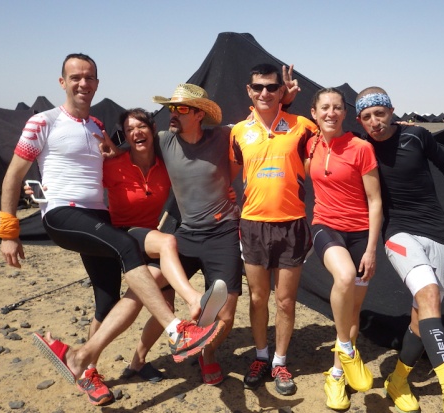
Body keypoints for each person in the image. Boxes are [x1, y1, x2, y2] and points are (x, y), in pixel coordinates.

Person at [0, 53, 224, 406]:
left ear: (97, 83)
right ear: (62, 82)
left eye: (89, 77)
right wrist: (9, 230)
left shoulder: (96, 127)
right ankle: (176, 329)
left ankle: (83, 364)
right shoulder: (43, 122)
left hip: (97, 221)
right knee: (126, 247)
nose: (83, 83)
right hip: (63, 213)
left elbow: (113, 159)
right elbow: (13, 174)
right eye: (75, 77)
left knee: (106, 301)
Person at [355, 87, 444, 413]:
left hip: (437, 232)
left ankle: (397, 380)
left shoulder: (417, 136)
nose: (375, 121)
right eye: (367, 117)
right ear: (360, 121)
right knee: (428, 294)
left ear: (391, 111)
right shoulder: (362, 148)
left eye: (379, 113)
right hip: (398, 232)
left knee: (423, 313)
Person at [230, 63, 318, 396]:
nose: (264, 92)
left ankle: (280, 361)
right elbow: (229, 172)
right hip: (253, 224)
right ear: (249, 90)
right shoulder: (238, 131)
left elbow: (331, 147)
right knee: (257, 298)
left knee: (285, 300)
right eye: (258, 87)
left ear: (282, 90)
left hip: (291, 223)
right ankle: (261, 357)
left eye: (271, 87)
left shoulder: (303, 126)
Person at [148, 83, 244, 385]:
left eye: (181, 109)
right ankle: (137, 358)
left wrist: (287, 104)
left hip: (223, 232)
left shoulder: (224, 136)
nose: (173, 114)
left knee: (226, 311)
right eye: (171, 108)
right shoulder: (163, 140)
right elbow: (128, 148)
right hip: (186, 233)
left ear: (200, 114)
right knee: (146, 284)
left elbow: (259, 133)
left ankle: (208, 353)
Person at [305, 88, 382, 410]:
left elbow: (375, 201)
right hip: (326, 226)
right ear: (314, 113)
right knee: (345, 276)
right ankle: (348, 349)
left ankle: (336, 374)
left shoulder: (361, 148)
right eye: (325, 107)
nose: (331, 113)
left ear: (345, 113)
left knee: (352, 310)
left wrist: (372, 249)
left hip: (361, 233)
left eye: (337, 107)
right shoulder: (309, 144)